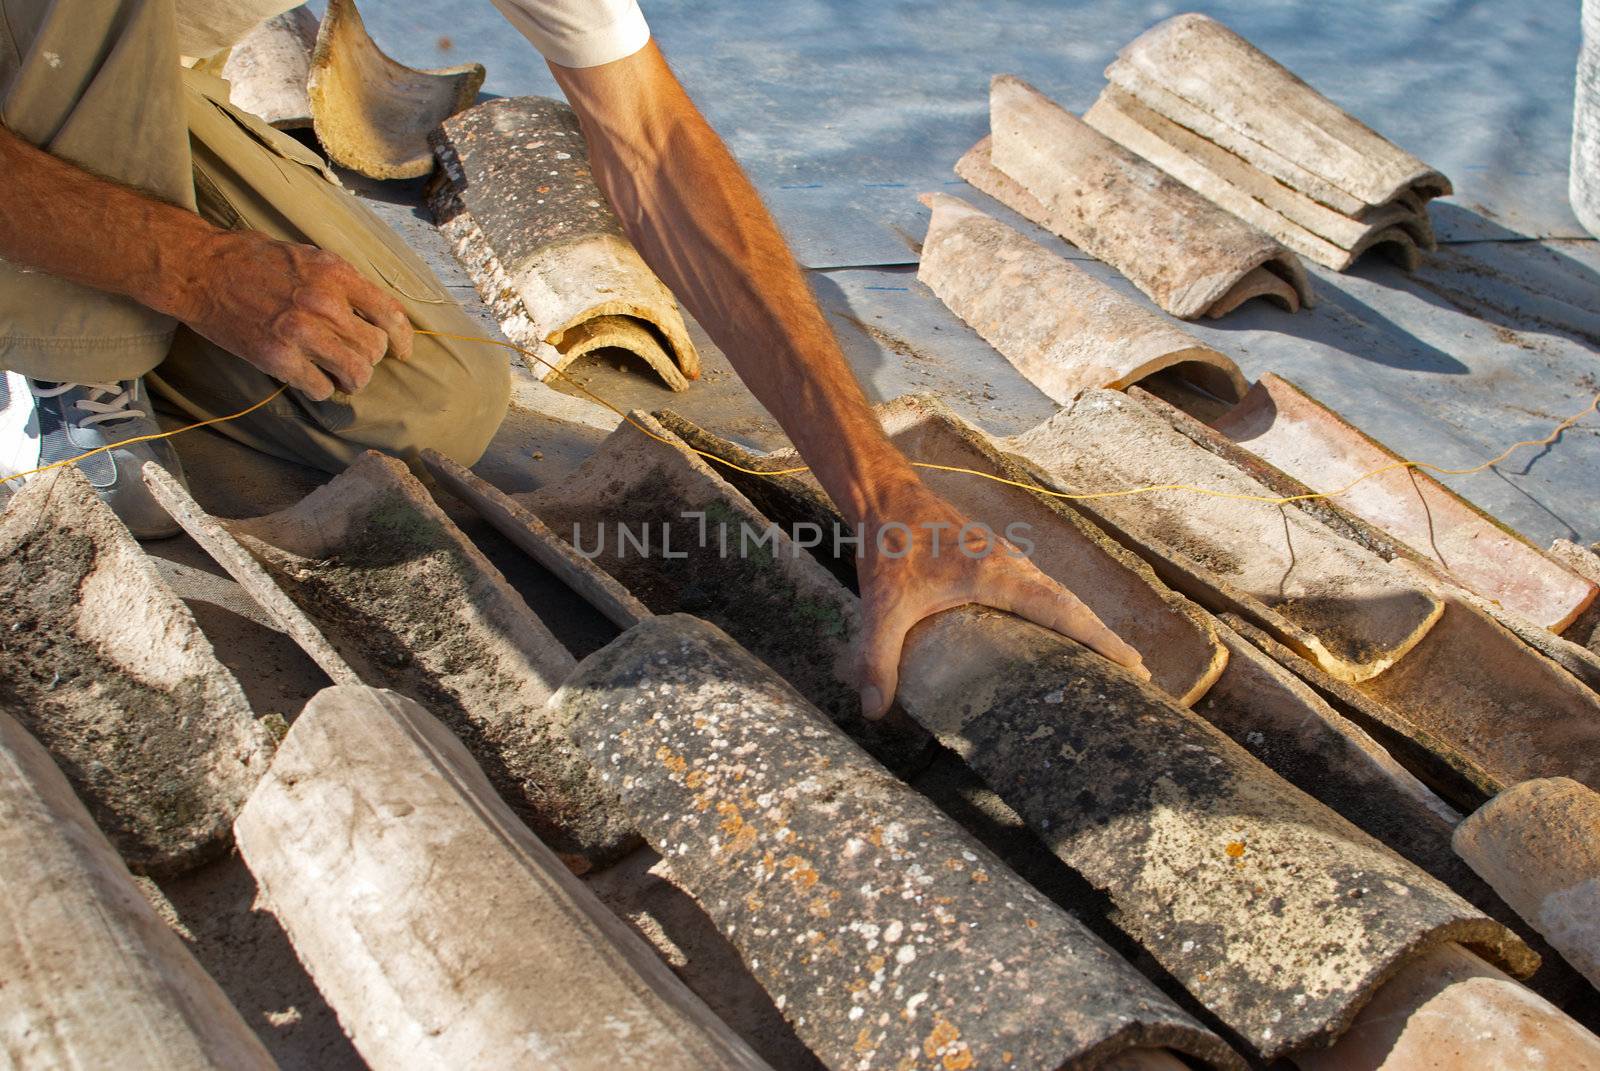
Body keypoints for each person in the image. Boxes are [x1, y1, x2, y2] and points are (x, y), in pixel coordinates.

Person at [0, 0, 1146, 717]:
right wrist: (195, 274)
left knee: (412, 400)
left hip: (104, 79)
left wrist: (885, 497)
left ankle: (89, 256)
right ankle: (52, 346)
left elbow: (652, 151)